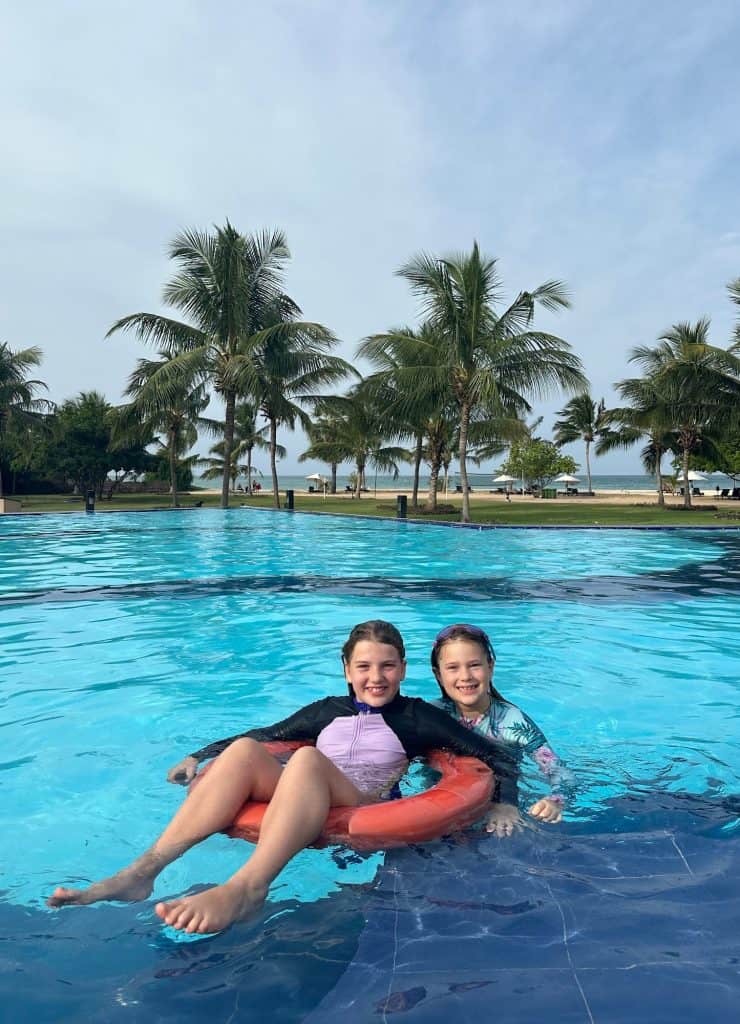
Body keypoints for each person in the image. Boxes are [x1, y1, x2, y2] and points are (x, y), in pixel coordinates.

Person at [48, 620, 519, 935]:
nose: (376, 677)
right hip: (308, 793)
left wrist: (505, 801)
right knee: (246, 751)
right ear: (346, 670)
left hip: (365, 804)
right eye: (364, 667)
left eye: (388, 666)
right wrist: (198, 755)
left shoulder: (417, 717)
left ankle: (248, 888)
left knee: (308, 762)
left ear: (403, 669)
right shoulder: (326, 712)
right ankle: (142, 872)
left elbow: (494, 756)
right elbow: (267, 734)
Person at [430, 623, 573, 836]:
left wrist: (555, 801)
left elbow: (558, 770)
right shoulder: (430, 715)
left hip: (501, 798)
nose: (465, 676)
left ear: (491, 666)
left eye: (474, 665)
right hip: (439, 800)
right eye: (453, 667)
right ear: (438, 674)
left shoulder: (513, 722)